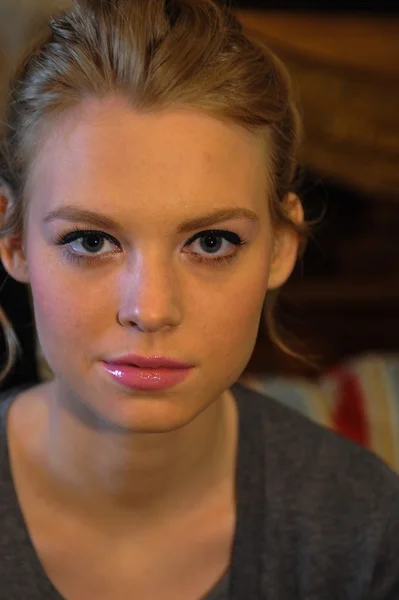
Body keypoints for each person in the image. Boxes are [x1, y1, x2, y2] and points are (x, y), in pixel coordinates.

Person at [0, 1, 398, 598]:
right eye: (90, 240)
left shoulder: (362, 527)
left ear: (283, 245)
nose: (151, 309)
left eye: (211, 242)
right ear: (13, 241)